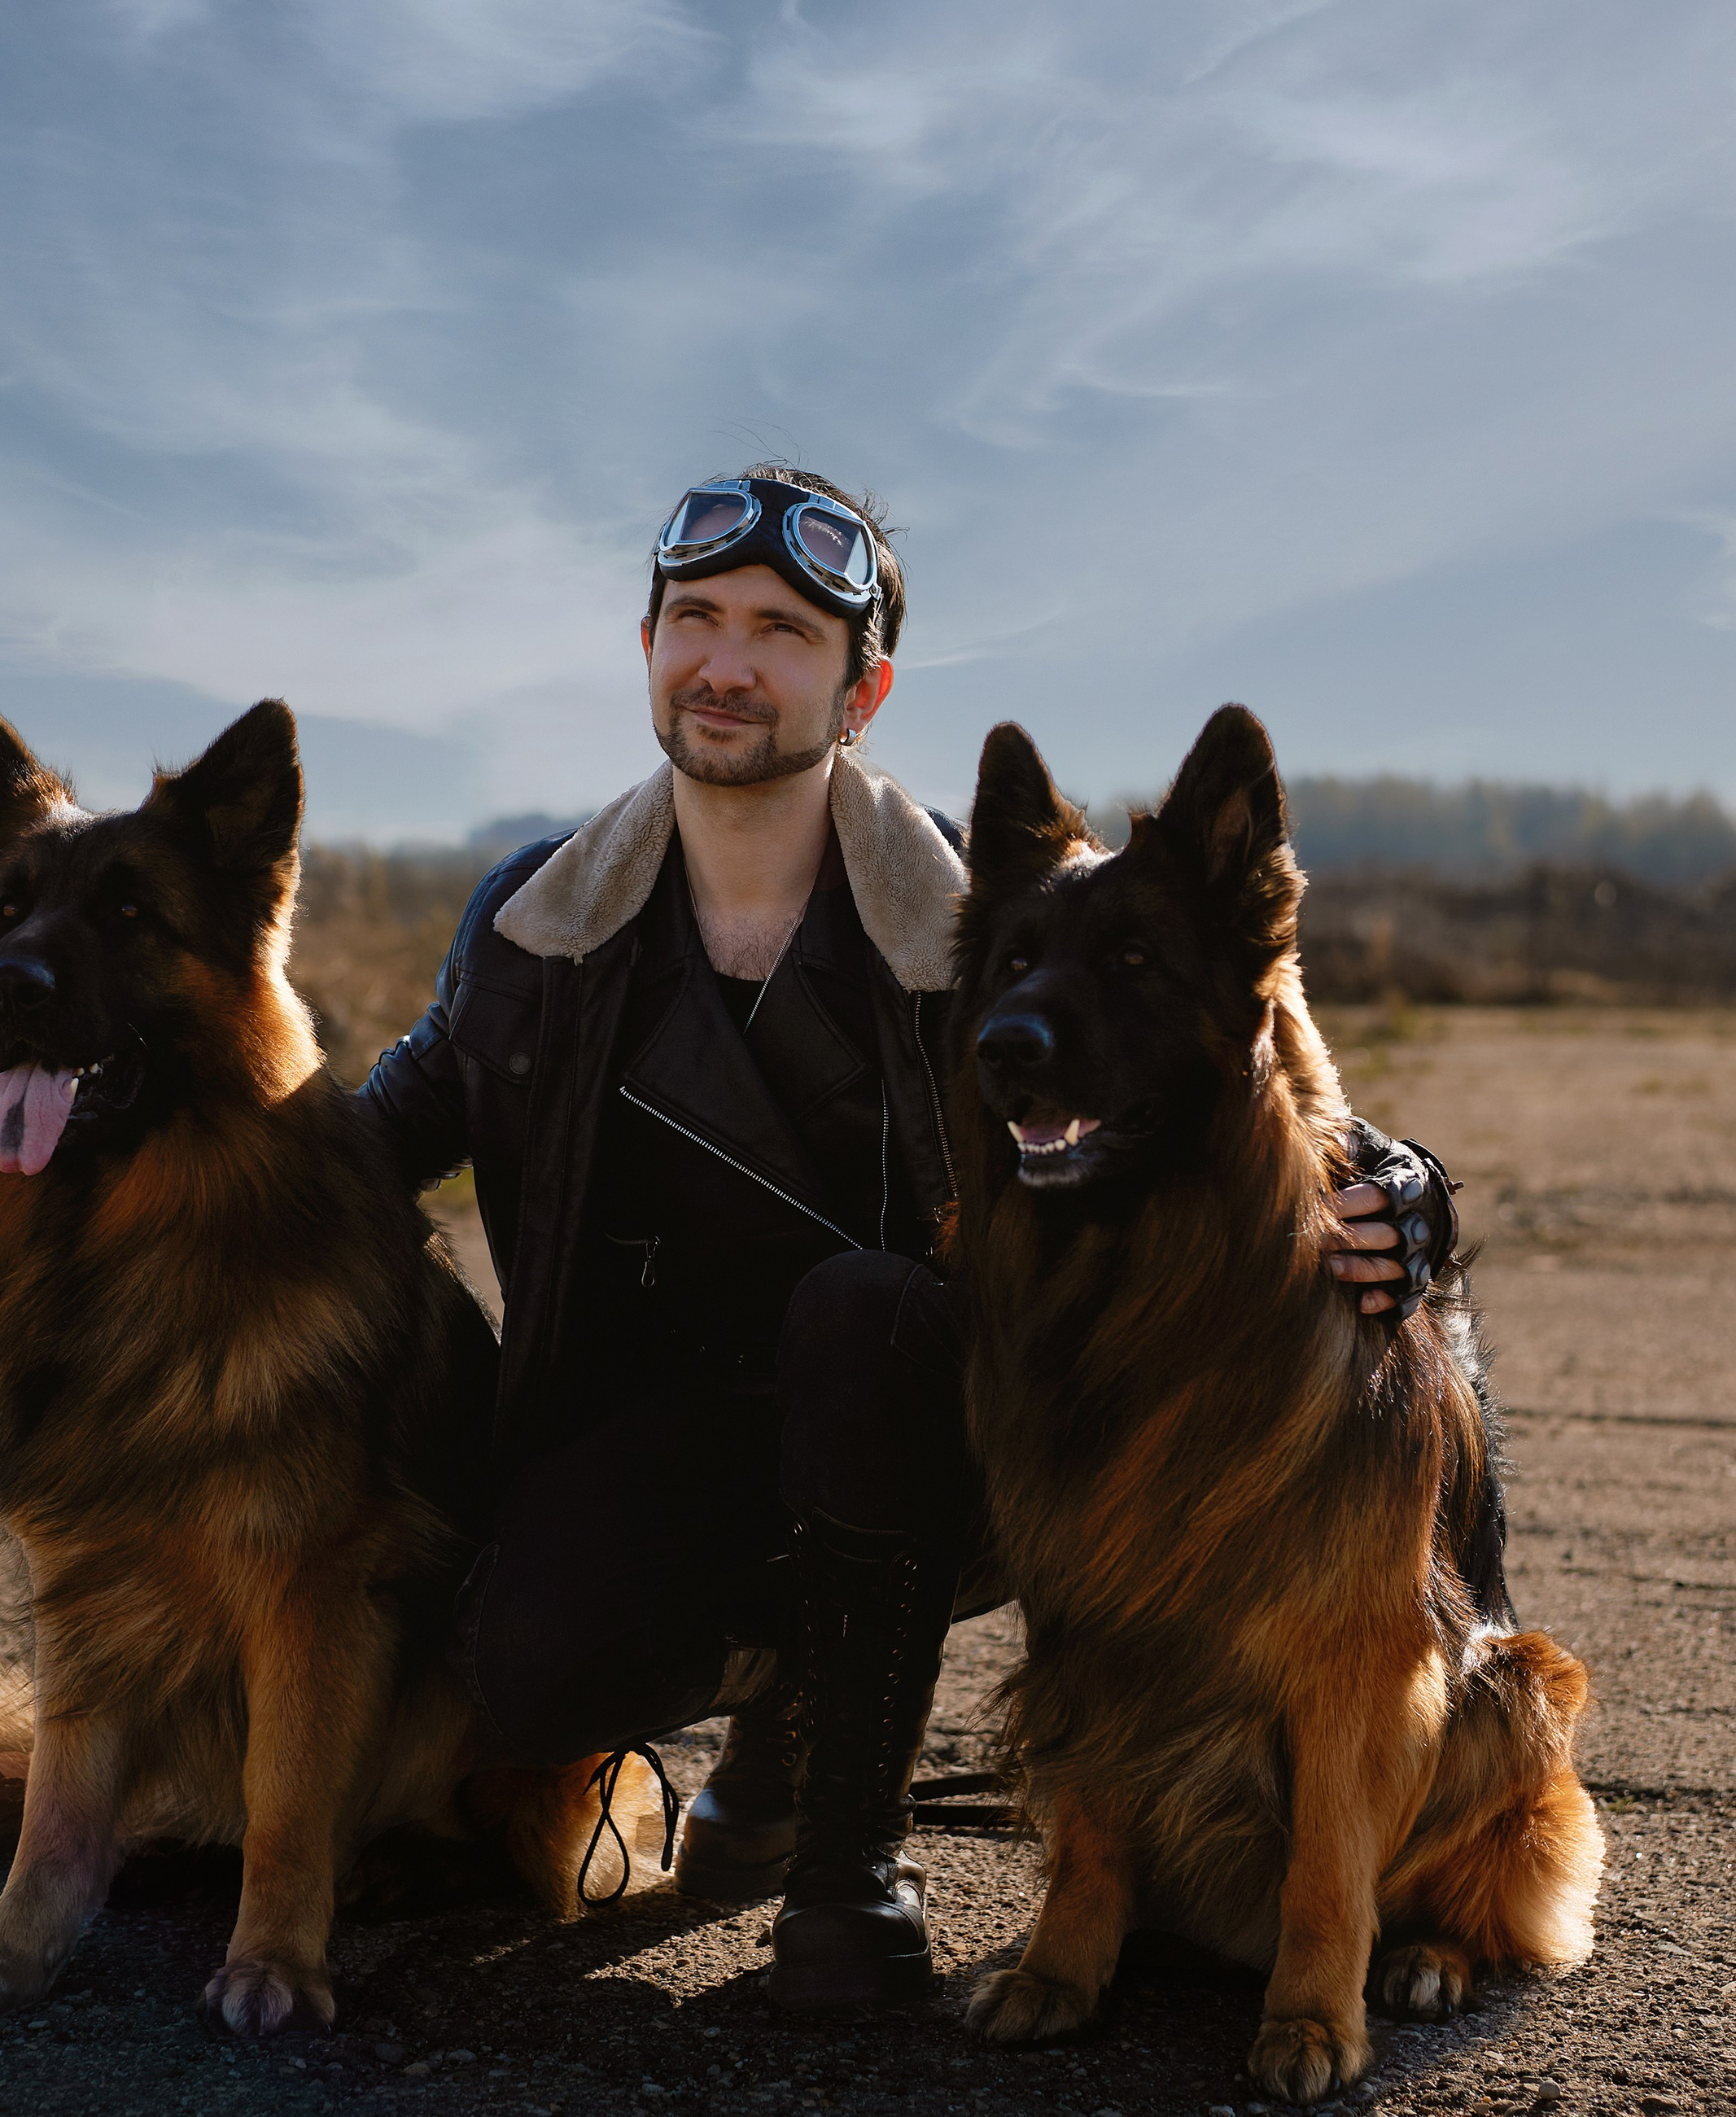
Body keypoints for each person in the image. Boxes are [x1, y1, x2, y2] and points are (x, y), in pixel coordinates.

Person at [354, 468, 1458, 2008]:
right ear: (651, 648)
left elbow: (1253, 1049)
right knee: (527, 1673)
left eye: (782, 633)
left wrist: (1409, 1182)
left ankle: (848, 1853)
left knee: (862, 1320)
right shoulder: (534, 921)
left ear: (860, 686)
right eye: (695, 621)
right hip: (660, 1431)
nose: (726, 663)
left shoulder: (980, 906)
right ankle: (766, 1715)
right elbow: (368, 1136)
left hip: (940, 1426)